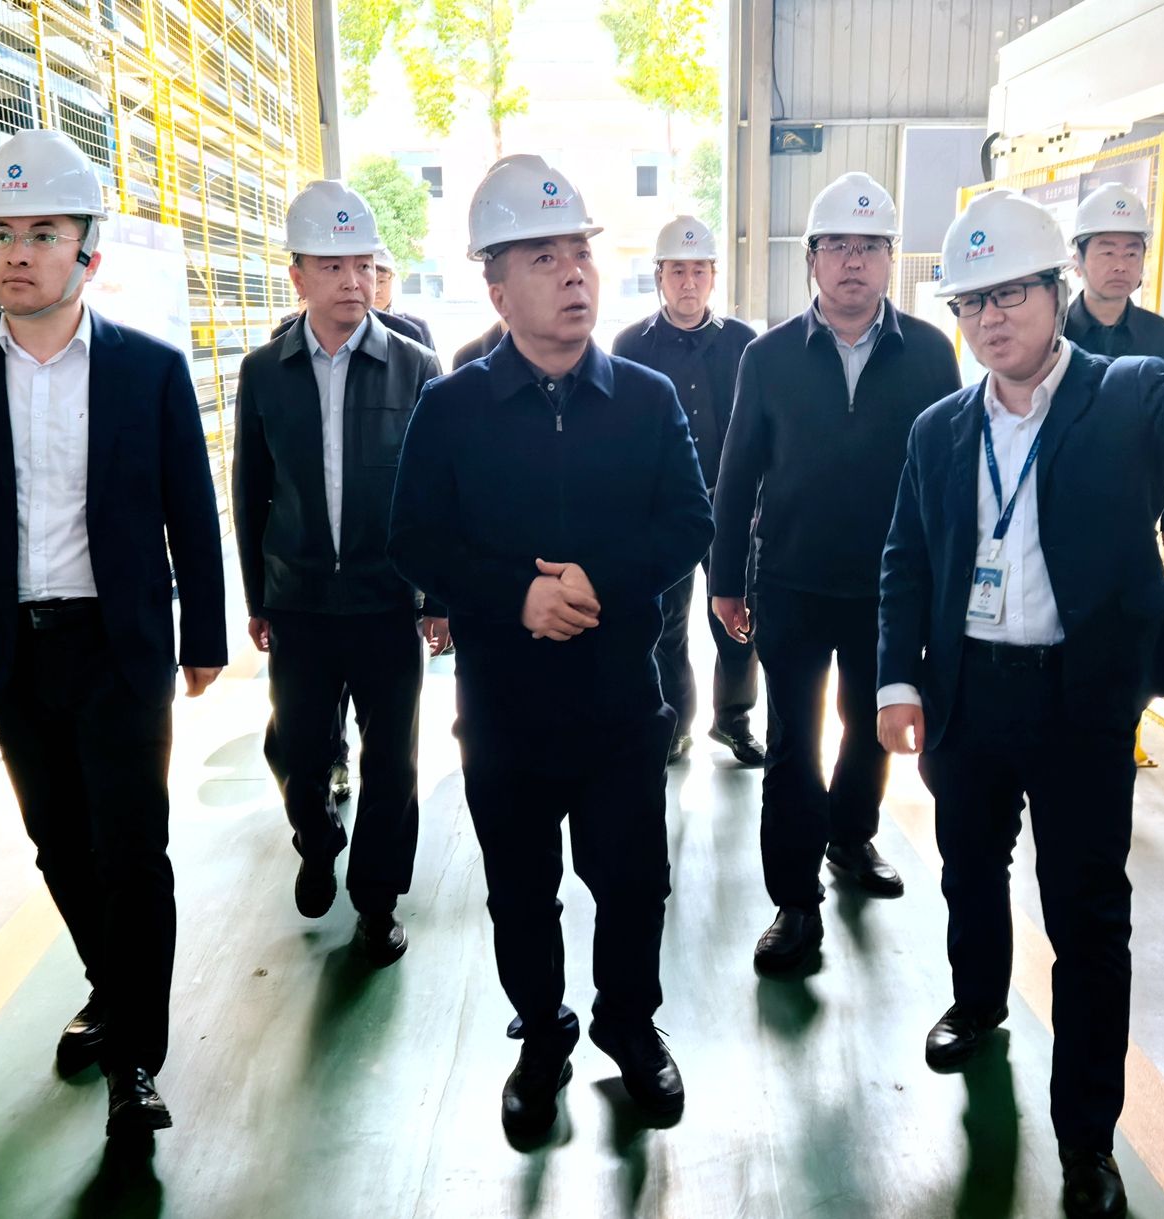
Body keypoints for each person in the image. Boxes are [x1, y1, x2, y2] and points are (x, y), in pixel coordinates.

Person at [876, 188, 1164, 1218]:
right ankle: (977, 1003)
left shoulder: (1127, 393)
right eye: (972, 302)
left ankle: (1087, 1141)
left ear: (1055, 293)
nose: (991, 319)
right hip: (970, 697)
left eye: (1011, 295)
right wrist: (897, 678)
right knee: (969, 872)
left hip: (1080, 703)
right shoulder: (939, 429)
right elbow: (905, 559)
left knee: (1088, 919)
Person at [0, 128, 227, 1138]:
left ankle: (136, 1060)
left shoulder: (147, 370)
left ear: (89, 252)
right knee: (58, 844)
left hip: (118, 646)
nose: (17, 254)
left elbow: (191, 510)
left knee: (132, 848)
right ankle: (112, 986)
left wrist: (205, 636)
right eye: (2, 233)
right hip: (8, 648)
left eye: (42, 234)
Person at [389, 154, 712, 1141]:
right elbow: (414, 539)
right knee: (521, 892)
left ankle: (630, 1025)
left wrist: (597, 582)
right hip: (505, 711)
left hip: (621, 705)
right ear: (497, 289)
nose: (574, 273)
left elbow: (690, 522)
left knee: (634, 882)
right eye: (543, 258)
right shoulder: (453, 408)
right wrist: (516, 596)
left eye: (580, 252)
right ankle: (542, 1035)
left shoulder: (647, 400)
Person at [709, 171, 960, 972]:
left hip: (892, 589)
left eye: (870, 247)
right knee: (792, 741)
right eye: (838, 247)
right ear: (812, 258)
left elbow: (951, 481)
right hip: (791, 580)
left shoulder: (931, 354)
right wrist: (726, 580)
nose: (854, 262)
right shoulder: (769, 356)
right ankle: (794, 902)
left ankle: (850, 837)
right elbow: (736, 474)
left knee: (871, 721)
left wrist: (945, 588)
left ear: (891, 259)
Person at [233, 181, 445, 966]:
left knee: (392, 761)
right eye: (333, 266)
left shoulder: (415, 366)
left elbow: (437, 491)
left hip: (387, 601)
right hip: (299, 602)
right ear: (299, 277)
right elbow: (250, 489)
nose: (354, 281)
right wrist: (257, 597)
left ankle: (378, 902)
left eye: (363, 264)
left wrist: (438, 595)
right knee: (296, 747)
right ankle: (316, 838)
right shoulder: (265, 370)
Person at [612, 215, 763, 767]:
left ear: (714, 276)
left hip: (733, 508)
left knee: (738, 618)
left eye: (699, 270)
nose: (689, 282)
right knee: (667, 625)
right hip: (665, 510)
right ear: (659, 276)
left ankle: (734, 720)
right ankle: (674, 724)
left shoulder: (745, 344)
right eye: (677, 270)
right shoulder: (630, 345)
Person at [1063, 184, 1164, 768]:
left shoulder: (1162, 338)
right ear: (1078, 258)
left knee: (1129, 638)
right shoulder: (1051, 329)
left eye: (1131, 251)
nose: (1120, 263)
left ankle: (1117, 742)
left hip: (1134, 513)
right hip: (1061, 505)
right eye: (1106, 250)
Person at [373, 244, 438, 351]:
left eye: (382, 281)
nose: (376, 289)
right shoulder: (347, 328)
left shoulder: (416, 328)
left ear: (393, 280)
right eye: (370, 282)